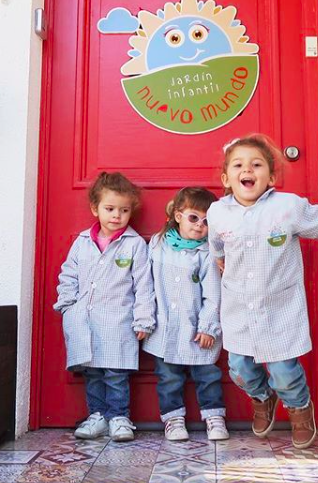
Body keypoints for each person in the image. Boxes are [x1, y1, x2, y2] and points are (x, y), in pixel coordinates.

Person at [207, 135, 318, 449]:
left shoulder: (287, 207)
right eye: (238, 165)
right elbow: (216, 242)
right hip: (239, 305)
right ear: (226, 179)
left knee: (283, 371)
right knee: (239, 368)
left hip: (279, 305)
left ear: (271, 177)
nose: (247, 170)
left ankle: (299, 407)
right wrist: (220, 258)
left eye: (256, 165)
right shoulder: (217, 212)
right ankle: (261, 397)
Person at [54, 172, 155, 442]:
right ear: (95, 209)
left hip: (119, 321)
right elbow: (68, 274)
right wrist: (68, 305)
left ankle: (119, 417)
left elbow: (143, 285)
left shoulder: (134, 245)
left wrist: (143, 320)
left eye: (124, 210)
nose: (116, 216)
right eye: (110, 209)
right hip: (85, 321)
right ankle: (97, 416)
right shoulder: (82, 242)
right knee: (94, 373)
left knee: (116, 373)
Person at [144, 187, 229, 442]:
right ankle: (173, 419)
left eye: (206, 221)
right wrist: (145, 319)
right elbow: (145, 284)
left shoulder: (208, 253)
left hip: (197, 329)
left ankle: (214, 417)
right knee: (168, 377)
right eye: (194, 218)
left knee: (207, 375)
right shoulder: (158, 245)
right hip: (164, 327)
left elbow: (213, 293)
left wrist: (208, 327)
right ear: (178, 215)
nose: (199, 226)